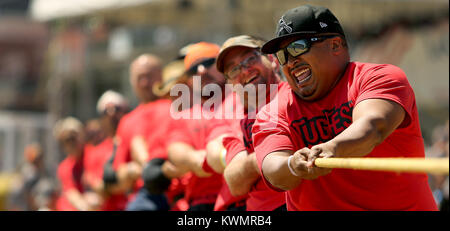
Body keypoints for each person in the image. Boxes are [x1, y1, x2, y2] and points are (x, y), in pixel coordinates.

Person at [252, 4, 437, 210]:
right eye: (282, 55)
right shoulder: (272, 111)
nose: (289, 62)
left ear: (335, 45)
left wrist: (332, 148)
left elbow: (373, 127)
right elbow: (273, 169)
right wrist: (292, 165)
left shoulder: (379, 77)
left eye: (298, 47)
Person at [213, 35, 287, 211]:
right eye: (233, 70)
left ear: (272, 60)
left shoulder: (297, 96)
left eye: (250, 59)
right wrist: (265, 157)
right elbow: (235, 184)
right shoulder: (238, 120)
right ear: (231, 84)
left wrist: (252, 161)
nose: (244, 71)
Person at [112, 54, 177, 211]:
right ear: (132, 82)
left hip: (179, 187)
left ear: (161, 77)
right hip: (147, 194)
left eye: (149, 76)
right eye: (139, 78)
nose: (144, 83)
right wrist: (134, 171)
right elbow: (120, 175)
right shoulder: (127, 121)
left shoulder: (177, 107)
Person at [82, 90, 130, 211]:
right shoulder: (94, 152)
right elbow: (98, 187)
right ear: (101, 118)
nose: (112, 114)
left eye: (117, 108)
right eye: (106, 111)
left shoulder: (133, 142)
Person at [53, 117, 93, 211]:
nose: (71, 143)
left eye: (73, 137)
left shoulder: (93, 155)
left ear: (82, 135)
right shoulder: (64, 167)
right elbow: (72, 194)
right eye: (66, 140)